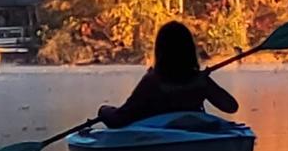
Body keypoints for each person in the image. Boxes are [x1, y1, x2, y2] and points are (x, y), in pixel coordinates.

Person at [96, 21, 240, 129]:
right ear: (189, 51)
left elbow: (121, 118)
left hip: (163, 137)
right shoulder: (200, 81)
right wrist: (206, 81)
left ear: (160, 52)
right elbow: (230, 106)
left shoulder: (152, 82)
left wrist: (104, 111)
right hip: (195, 133)